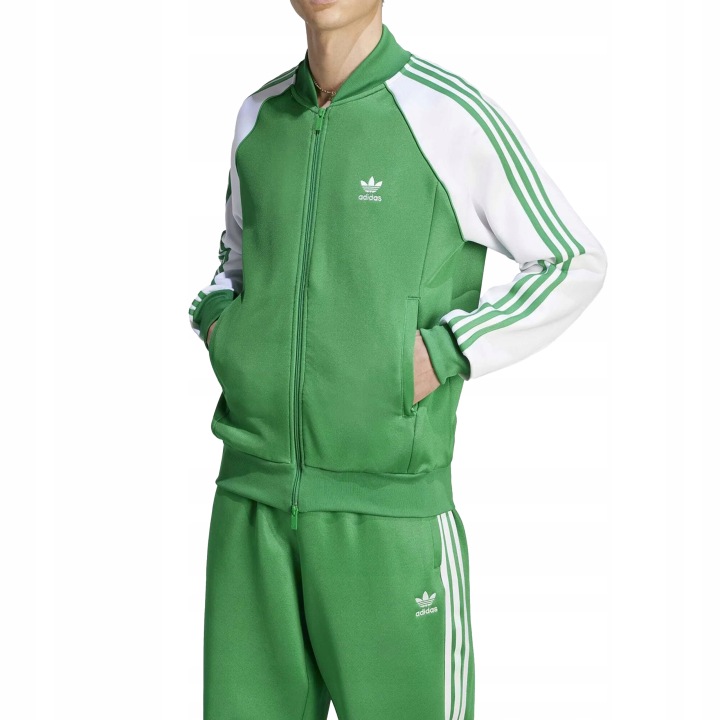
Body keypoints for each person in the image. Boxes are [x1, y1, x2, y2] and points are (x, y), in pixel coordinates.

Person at [188, 1, 608, 718]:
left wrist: (447, 350)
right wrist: (224, 328)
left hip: (388, 516)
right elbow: (234, 259)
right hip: (250, 504)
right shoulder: (258, 116)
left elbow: (572, 260)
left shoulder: (447, 116)